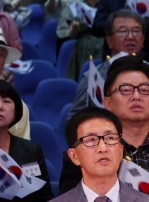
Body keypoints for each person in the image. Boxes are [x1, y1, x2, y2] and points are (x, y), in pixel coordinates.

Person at [61, 55, 149, 193]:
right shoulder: (85, 151)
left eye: (144, 90)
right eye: (126, 90)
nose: (136, 96)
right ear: (107, 103)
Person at [67, 9, 144, 120]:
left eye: (136, 31)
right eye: (122, 32)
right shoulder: (93, 77)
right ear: (109, 41)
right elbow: (73, 119)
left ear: (143, 39)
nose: (130, 36)